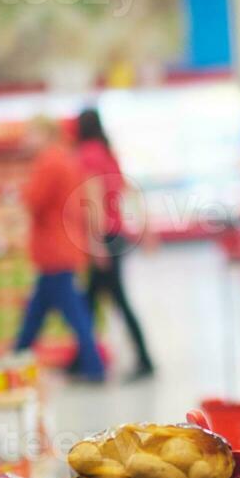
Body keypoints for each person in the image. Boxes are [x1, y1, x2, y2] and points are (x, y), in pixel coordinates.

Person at [12, 116, 105, 382]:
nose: (26, 140)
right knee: (40, 311)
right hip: (64, 244)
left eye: (31, 133)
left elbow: (34, 200)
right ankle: (18, 357)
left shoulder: (49, 162)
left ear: (45, 134)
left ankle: (94, 366)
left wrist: (20, 192)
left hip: (54, 249)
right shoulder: (66, 158)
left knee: (74, 314)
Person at [75, 108, 155, 382]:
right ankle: (81, 360)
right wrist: (145, 227)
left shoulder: (87, 155)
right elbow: (126, 192)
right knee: (89, 301)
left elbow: (93, 198)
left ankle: (144, 360)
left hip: (104, 236)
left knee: (113, 300)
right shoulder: (108, 153)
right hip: (117, 233)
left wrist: (95, 242)